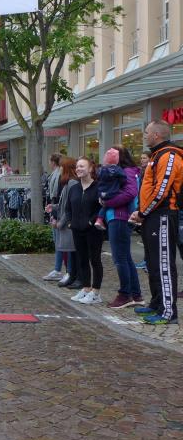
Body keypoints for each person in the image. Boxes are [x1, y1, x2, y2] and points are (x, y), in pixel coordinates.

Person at [129, 120, 183, 325]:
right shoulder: (157, 155)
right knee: (152, 262)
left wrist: (142, 212)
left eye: (147, 132)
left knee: (163, 264)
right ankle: (157, 303)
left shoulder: (169, 155)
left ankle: (168, 312)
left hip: (163, 215)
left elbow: (161, 191)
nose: (144, 135)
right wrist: (142, 212)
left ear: (157, 135)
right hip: (153, 215)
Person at [98, 146, 143, 309]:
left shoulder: (126, 172)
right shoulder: (124, 171)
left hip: (119, 217)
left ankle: (125, 295)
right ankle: (135, 295)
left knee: (120, 258)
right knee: (125, 258)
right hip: (119, 217)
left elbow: (130, 193)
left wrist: (108, 202)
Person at [67, 157, 103, 304]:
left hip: (93, 230)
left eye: (82, 166)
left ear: (90, 168)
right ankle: (86, 288)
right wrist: (70, 222)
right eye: (77, 167)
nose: (78, 169)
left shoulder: (98, 187)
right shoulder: (74, 188)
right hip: (77, 229)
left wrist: (91, 221)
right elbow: (68, 208)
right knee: (81, 259)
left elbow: (101, 208)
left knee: (95, 259)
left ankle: (96, 292)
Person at [48, 157, 79, 288]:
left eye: (61, 166)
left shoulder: (71, 183)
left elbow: (68, 207)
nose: (59, 169)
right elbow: (63, 204)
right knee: (68, 250)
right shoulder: (67, 183)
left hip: (68, 223)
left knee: (70, 250)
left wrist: (60, 223)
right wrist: (54, 207)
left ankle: (71, 274)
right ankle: (70, 274)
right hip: (64, 221)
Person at [93, 149, 127, 231]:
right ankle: (100, 220)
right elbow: (124, 179)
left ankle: (99, 219)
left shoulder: (101, 169)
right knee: (107, 205)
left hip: (101, 192)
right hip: (113, 192)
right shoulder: (118, 169)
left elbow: (98, 178)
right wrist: (120, 184)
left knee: (104, 205)